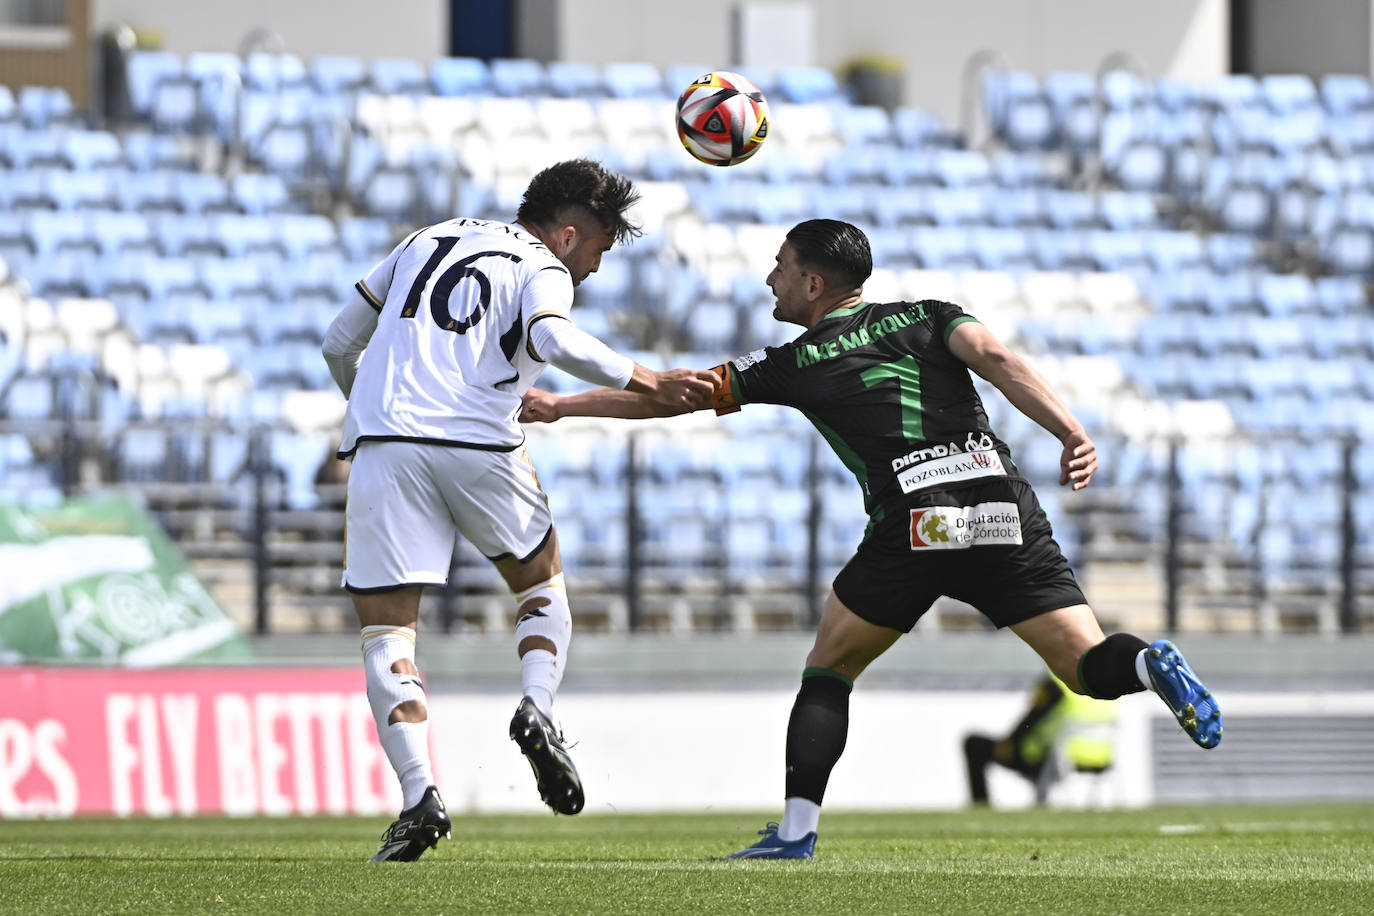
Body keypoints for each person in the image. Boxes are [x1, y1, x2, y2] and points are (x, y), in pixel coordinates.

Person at [519, 218, 1223, 860]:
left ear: (814, 284)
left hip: (918, 520)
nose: (771, 279)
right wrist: (1070, 431)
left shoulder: (796, 362)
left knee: (830, 669)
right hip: (1002, 508)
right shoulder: (930, 314)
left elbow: (676, 395)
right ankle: (1147, 666)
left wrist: (559, 405)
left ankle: (795, 834)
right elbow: (998, 357)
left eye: (781, 267)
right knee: (1087, 667)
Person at [320, 159, 719, 862]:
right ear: (568, 234)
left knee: (388, 635)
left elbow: (336, 341)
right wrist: (647, 375)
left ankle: (420, 798)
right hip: (480, 440)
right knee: (541, 589)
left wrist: (373, 412)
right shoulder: (543, 266)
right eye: (596, 249)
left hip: (384, 444)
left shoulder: (425, 239)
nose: (593, 269)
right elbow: (553, 339)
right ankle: (537, 707)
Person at [963, 671, 1116, 807]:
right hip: (1100, 757)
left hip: (1050, 757)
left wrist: (1010, 741)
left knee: (974, 744)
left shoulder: (1057, 682)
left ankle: (980, 806)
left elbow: (1032, 719)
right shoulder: (1108, 685)